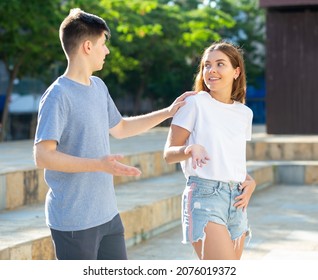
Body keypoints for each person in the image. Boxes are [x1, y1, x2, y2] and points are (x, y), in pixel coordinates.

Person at [33, 8, 193, 260]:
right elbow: (43, 156)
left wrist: (168, 112)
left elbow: (121, 128)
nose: (106, 50)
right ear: (88, 46)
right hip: (74, 221)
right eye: (103, 44)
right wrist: (97, 164)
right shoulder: (57, 96)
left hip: (108, 215)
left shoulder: (98, 87)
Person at [163, 41, 256, 260]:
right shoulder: (194, 103)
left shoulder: (244, 113)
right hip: (204, 197)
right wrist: (189, 149)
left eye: (220, 64)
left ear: (236, 71)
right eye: (206, 65)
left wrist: (250, 181)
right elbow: (168, 154)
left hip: (236, 200)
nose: (211, 70)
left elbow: (230, 160)